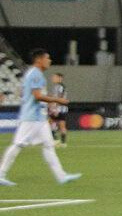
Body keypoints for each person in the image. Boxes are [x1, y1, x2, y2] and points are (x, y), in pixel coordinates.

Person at [0, 49, 80, 187]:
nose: (49, 61)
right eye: (47, 58)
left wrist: (48, 107)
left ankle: (61, 176)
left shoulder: (34, 74)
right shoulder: (36, 74)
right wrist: (57, 100)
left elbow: (28, 94)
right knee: (18, 145)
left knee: (48, 146)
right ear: (39, 60)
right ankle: (1, 174)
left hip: (39, 118)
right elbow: (37, 96)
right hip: (31, 118)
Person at [48, 71, 68, 146]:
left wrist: (54, 108)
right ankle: (60, 142)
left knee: (60, 125)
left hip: (59, 109)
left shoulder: (60, 87)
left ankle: (58, 140)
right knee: (52, 123)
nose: (53, 78)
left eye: (55, 77)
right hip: (59, 108)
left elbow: (60, 97)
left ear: (60, 78)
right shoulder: (56, 86)